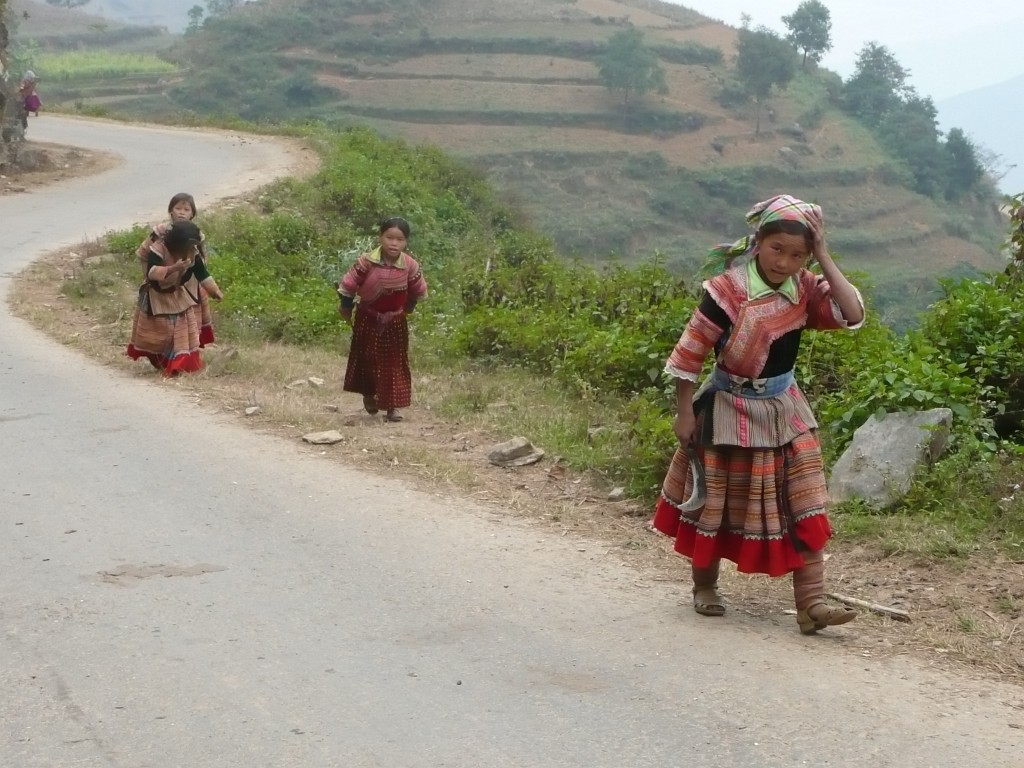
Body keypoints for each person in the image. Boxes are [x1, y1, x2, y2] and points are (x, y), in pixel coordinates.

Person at [650, 194, 865, 635]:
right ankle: (705, 586)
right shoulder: (727, 291)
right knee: (717, 501)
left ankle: (812, 605)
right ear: (757, 242)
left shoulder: (805, 287)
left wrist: (823, 256)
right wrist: (684, 414)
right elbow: (688, 356)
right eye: (776, 249)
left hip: (786, 411)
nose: (784, 262)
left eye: (797, 254)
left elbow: (852, 312)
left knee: (805, 500)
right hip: (729, 410)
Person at [337, 217, 428, 422]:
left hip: (395, 321)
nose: (394, 243)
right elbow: (349, 284)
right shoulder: (366, 262)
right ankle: (369, 395)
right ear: (380, 237)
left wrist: (407, 309)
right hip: (367, 318)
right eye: (389, 237)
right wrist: (345, 306)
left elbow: (417, 290)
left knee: (394, 363)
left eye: (400, 239)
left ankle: (391, 407)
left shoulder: (410, 266)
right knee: (368, 358)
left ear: (406, 242)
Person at [126, 219, 224, 376]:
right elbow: (152, 273)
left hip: (178, 295)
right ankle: (160, 360)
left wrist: (214, 291)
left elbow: (201, 273)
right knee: (159, 335)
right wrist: (173, 268)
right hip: (156, 297)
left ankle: (180, 363)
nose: (192, 250)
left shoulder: (192, 252)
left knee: (181, 330)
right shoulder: (159, 249)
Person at [136, 193, 216, 346]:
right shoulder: (160, 232)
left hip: (190, 283)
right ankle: (166, 351)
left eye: (186, 209)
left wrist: (201, 278)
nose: (181, 212)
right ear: (171, 211)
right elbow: (144, 254)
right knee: (165, 323)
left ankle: (189, 346)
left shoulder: (197, 234)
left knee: (190, 316)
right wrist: (156, 276)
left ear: (192, 214)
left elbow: (200, 260)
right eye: (178, 208)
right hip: (162, 285)